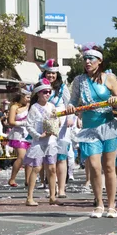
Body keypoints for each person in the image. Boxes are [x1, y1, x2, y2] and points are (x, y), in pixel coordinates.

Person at [67, 43, 117, 218]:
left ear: (99, 61)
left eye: (91, 58)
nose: (87, 62)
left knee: (109, 166)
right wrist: (70, 106)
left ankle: (112, 205)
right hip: (90, 128)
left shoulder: (109, 78)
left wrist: (115, 99)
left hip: (109, 126)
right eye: (85, 59)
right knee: (94, 165)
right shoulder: (78, 80)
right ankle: (99, 203)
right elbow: (73, 100)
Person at [24, 79, 60, 206]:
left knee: (52, 168)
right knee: (37, 168)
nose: (48, 94)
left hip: (51, 141)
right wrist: (39, 135)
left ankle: (52, 196)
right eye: (45, 92)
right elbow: (28, 126)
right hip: (39, 142)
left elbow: (56, 122)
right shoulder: (34, 108)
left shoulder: (52, 107)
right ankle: (29, 197)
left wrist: (56, 126)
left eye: (49, 92)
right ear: (39, 93)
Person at [40, 58, 73, 198]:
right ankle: (51, 188)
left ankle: (61, 189)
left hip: (62, 124)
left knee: (61, 157)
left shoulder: (63, 88)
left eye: (53, 74)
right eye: (48, 73)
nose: (51, 76)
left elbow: (69, 103)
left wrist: (70, 117)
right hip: (47, 123)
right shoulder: (40, 86)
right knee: (49, 157)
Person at [7, 86, 32, 188]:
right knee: (22, 157)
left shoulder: (31, 107)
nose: (28, 99)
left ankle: (28, 180)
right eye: (27, 97)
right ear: (22, 96)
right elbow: (11, 122)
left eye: (30, 97)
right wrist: (23, 123)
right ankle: (12, 178)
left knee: (29, 158)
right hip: (18, 134)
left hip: (29, 134)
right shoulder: (14, 107)